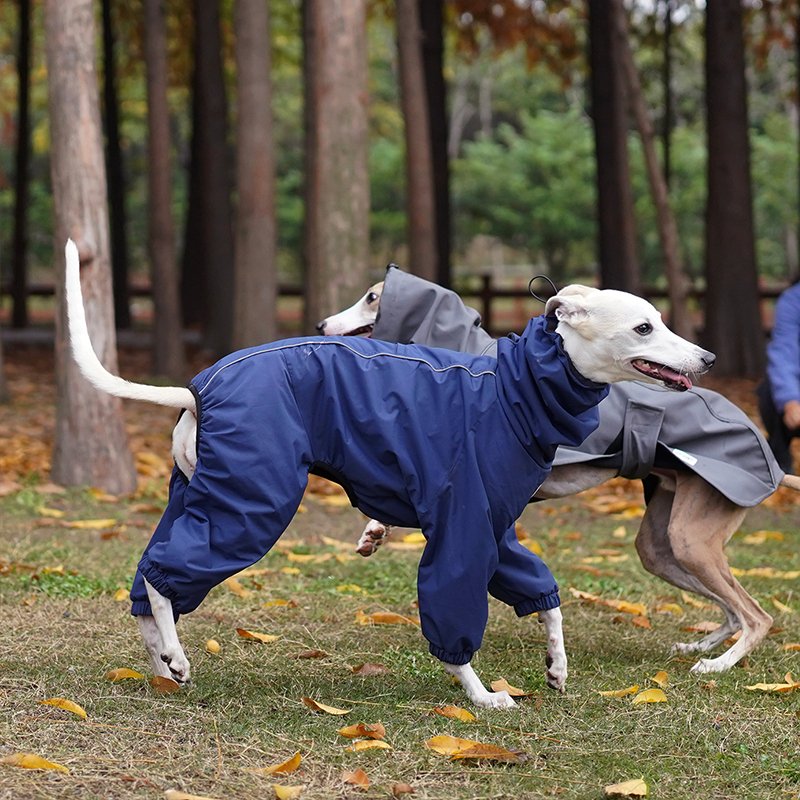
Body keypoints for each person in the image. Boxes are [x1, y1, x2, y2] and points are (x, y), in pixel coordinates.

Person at [758, 281, 800, 474]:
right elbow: (783, 352)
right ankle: (780, 466)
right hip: (796, 388)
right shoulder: (793, 300)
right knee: (770, 390)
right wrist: (790, 400)